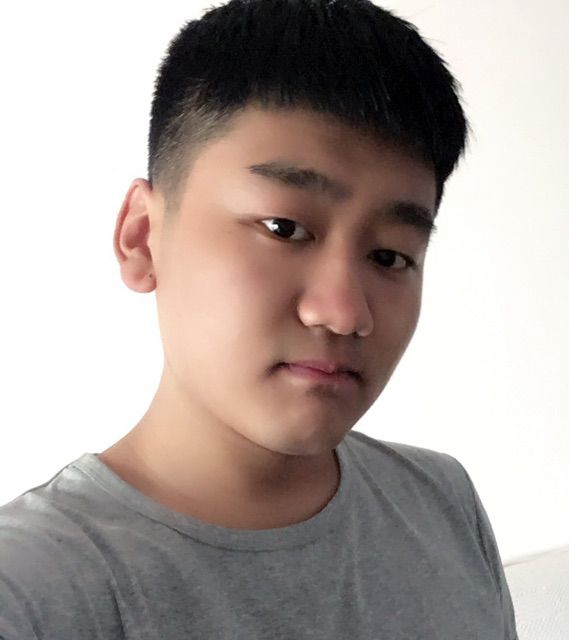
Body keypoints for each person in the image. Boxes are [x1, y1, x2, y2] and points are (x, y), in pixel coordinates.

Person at [0, 1, 519, 638]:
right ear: (141, 236)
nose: (344, 312)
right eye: (283, 228)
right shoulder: (33, 591)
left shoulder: (441, 501)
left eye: (390, 256)